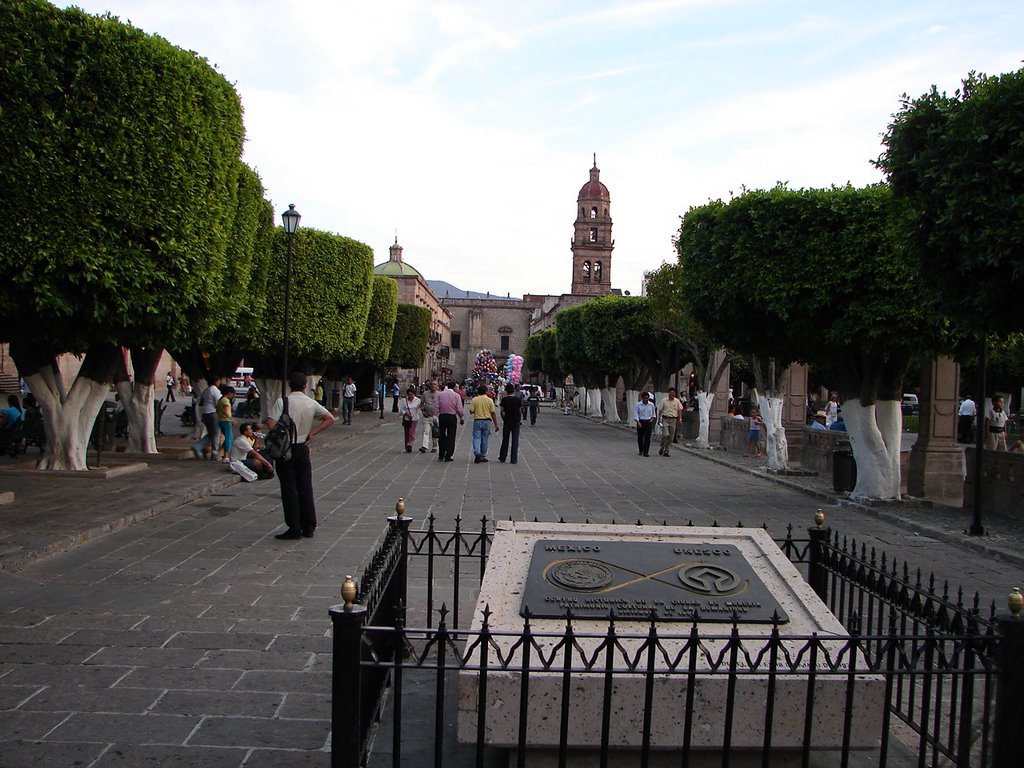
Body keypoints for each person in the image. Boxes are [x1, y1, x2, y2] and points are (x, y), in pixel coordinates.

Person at [268, 371, 336, 540]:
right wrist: (313, 433)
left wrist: (281, 434)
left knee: (289, 488)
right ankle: (309, 525)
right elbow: (330, 418)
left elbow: (271, 422)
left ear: (290, 385)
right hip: (302, 447)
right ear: (305, 385)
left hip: (286, 449)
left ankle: (294, 526)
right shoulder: (311, 403)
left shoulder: (282, 401)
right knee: (305, 486)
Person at [191, 376, 223, 461]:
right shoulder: (215, 390)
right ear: (216, 381)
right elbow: (219, 403)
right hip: (212, 413)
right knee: (216, 434)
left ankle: (198, 446)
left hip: (205, 413)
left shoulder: (206, 390)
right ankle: (214, 454)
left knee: (211, 434)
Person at [469, 384, 499, 463]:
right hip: (487, 421)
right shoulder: (490, 400)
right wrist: (496, 425)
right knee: (485, 438)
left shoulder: (474, 400)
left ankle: (477, 452)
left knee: (476, 437)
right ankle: (483, 455)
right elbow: (493, 413)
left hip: (477, 420)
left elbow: (471, 411)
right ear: (486, 391)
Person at [435, 381, 464, 462]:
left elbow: (436, 405)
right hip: (451, 417)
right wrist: (461, 417)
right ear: (454, 387)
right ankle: (448, 455)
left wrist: (435, 416)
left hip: (442, 416)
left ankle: (441, 454)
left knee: (442, 435)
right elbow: (459, 408)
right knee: (451, 436)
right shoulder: (456, 396)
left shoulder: (440, 394)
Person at [498, 383, 523, 464]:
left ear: (506, 391)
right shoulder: (518, 400)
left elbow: (501, 412)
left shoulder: (504, 400)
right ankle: (514, 459)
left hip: (507, 421)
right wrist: (519, 419)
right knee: (515, 440)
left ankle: (502, 457)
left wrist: (504, 419)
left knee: (505, 439)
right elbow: (520, 411)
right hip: (516, 421)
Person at [656, 387, 684, 457]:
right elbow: (660, 410)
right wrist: (658, 419)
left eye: (673, 394)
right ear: (669, 394)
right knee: (665, 434)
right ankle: (662, 446)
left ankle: (666, 450)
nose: (672, 395)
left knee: (671, 436)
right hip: (665, 419)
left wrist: (680, 419)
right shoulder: (664, 401)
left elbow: (680, 410)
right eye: (670, 394)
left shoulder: (677, 401)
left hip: (673, 420)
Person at [398, 387, 421, 453]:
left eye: (412, 394)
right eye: (409, 394)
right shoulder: (405, 400)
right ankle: (406, 446)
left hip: (414, 418)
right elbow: (401, 409)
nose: (410, 396)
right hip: (407, 418)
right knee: (406, 432)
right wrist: (406, 414)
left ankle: (410, 444)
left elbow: (421, 406)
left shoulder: (417, 400)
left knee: (411, 431)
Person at [419, 380, 439, 453]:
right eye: (432, 384)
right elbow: (421, 404)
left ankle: (435, 446)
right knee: (426, 431)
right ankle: (424, 446)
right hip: (427, 416)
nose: (433, 386)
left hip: (436, 416)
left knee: (435, 432)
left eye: (434, 384)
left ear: (437, 386)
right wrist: (423, 411)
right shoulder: (425, 394)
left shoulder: (439, 394)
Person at [634, 391, 656, 457]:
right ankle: (641, 450)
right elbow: (636, 414)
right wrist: (638, 422)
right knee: (640, 437)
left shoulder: (651, 404)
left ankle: (646, 451)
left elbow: (653, 414)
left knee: (647, 438)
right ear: (642, 398)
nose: (646, 400)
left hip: (648, 422)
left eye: (647, 398)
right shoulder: (638, 405)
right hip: (641, 421)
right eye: (644, 398)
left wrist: (651, 419)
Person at [216, 386, 235, 462]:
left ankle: (221, 453)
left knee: (227, 438)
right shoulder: (226, 401)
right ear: (229, 393)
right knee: (228, 438)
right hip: (226, 421)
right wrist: (232, 419)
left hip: (221, 420)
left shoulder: (220, 400)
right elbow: (227, 412)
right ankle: (226, 455)